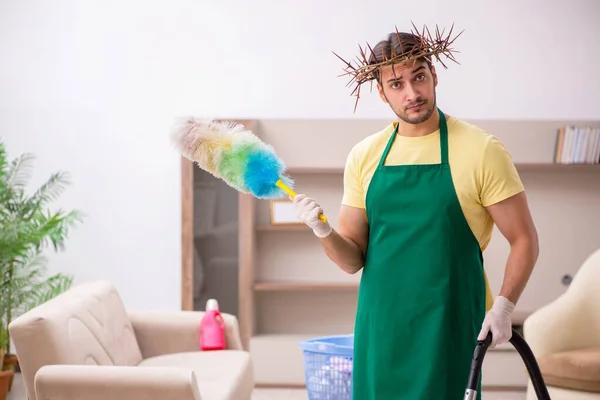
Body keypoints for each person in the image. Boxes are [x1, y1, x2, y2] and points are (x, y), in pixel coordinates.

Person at [291, 28, 540, 399]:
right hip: (381, 324)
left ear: (434, 75)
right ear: (381, 91)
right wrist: (323, 230)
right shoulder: (365, 155)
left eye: (419, 77)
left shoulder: (481, 149)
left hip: (448, 321)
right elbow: (352, 260)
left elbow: (524, 239)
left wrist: (503, 307)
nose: (412, 94)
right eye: (396, 84)